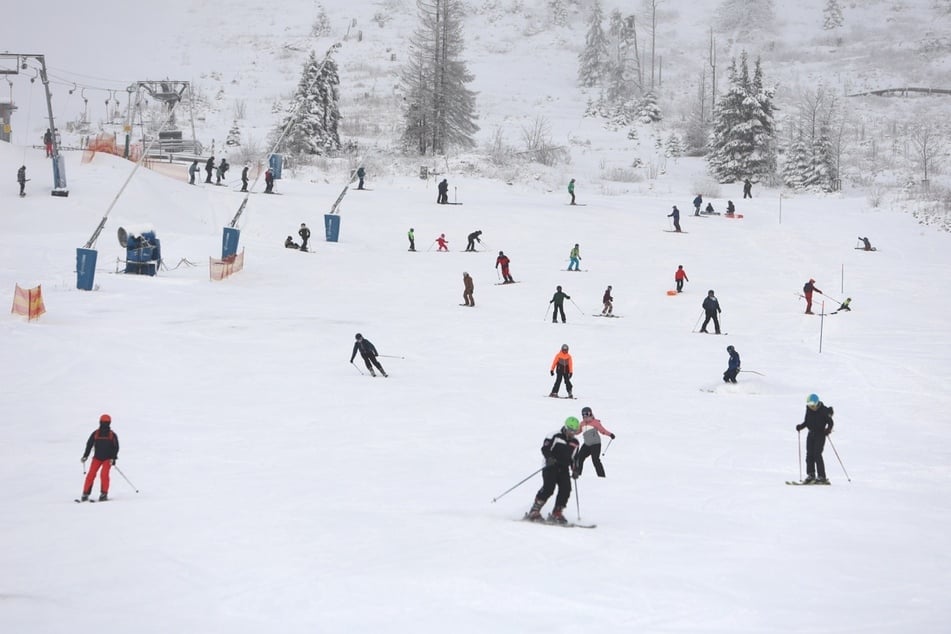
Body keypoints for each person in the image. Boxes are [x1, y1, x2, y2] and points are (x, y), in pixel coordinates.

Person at [525, 416, 581, 524]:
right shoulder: (554, 435)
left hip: (564, 468)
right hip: (550, 466)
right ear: (566, 427)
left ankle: (557, 512)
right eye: (570, 430)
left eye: (574, 431)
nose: (572, 433)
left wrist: (575, 469)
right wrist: (549, 458)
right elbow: (545, 448)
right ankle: (534, 511)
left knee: (566, 489)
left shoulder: (575, 442)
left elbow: (574, 458)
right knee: (549, 487)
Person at [795, 393, 834, 484]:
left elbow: (830, 422)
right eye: (809, 405)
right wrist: (801, 426)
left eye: (812, 405)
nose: (811, 407)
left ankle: (822, 477)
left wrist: (828, 430)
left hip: (820, 434)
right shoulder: (808, 410)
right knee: (809, 455)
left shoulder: (823, 410)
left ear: (816, 403)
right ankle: (811, 475)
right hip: (811, 434)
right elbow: (807, 421)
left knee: (817, 454)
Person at [80, 414, 120, 502]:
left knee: (104, 475)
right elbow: (89, 444)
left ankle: (104, 493)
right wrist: (85, 456)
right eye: (103, 422)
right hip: (97, 458)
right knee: (91, 474)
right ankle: (85, 493)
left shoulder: (112, 435)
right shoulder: (96, 433)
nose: (104, 424)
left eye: (106, 423)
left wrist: (113, 458)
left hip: (107, 459)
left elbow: (116, 447)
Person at [574, 406, 614, 478]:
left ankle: (602, 476)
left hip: (595, 444)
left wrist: (610, 434)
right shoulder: (582, 423)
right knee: (579, 458)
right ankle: (577, 474)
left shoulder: (595, 422)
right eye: (583, 415)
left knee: (595, 460)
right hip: (587, 445)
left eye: (587, 415)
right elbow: (578, 432)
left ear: (590, 414)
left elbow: (603, 431)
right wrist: (572, 432)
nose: (585, 417)